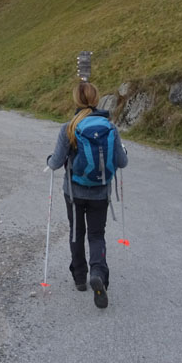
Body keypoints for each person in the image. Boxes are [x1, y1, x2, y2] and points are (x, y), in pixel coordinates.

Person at [46, 81, 128, 308]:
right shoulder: (110, 127)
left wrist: (49, 161)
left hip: (74, 191)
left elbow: (55, 163)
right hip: (100, 192)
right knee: (96, 234)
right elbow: (122, 162)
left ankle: (80, 277)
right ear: (96, 99)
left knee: (76, 231)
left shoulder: (68, 127)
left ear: (76, 100)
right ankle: (98, 271)